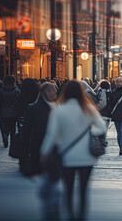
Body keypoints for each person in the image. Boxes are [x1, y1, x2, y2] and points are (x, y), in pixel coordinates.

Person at [40, 80, 106, 220]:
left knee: (68, 189)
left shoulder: (59, 110)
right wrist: (89, 132)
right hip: (87, 156)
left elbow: (51, 134)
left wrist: (45, 152)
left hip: (67, 155)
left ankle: (70, 215)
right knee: (83, 190)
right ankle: (81, 216)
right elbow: (102, 127)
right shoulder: (89, 108)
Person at [20, 83, 59, 219]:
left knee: (52, 180)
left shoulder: (58, 106)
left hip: (55, 149)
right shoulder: (35, 108)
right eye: (54, 91)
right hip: (41, 148)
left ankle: (51, 204)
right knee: (46, 178)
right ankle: (50, 206)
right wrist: (26, 151)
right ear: (47, 92)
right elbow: (26, 131)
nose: (56, 93)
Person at [0, 76, 20, 148]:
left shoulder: (0, 91)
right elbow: (19, 102)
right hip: (13, 113)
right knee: (13, 128)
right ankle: (12, 140)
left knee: (3, 127)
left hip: (2, 113)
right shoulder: (16, 91)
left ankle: (5, 135)